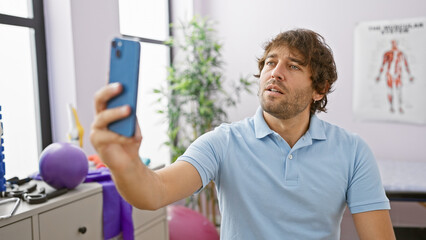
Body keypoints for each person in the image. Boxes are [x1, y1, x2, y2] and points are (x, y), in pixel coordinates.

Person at [91, 29, 395, 239]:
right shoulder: (222, 142)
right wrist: (125, 164)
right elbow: (154, 192)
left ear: (319, 89)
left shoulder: (352, 151)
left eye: (293, 66)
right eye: (270, 63)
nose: (275, 72)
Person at [376, 39, 414, 114]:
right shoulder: (387, 53)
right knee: (390, 90)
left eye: (395, 43)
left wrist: (409, 75)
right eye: (393, 43)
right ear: (391, 44)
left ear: (397, 44)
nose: (394, 45)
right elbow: (383, 65)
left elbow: (406, 64)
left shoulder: (401, 54)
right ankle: (391, 107)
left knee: (399, 91)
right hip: (389, 74)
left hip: (398, 74)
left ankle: (400, 106)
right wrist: (379, 75)